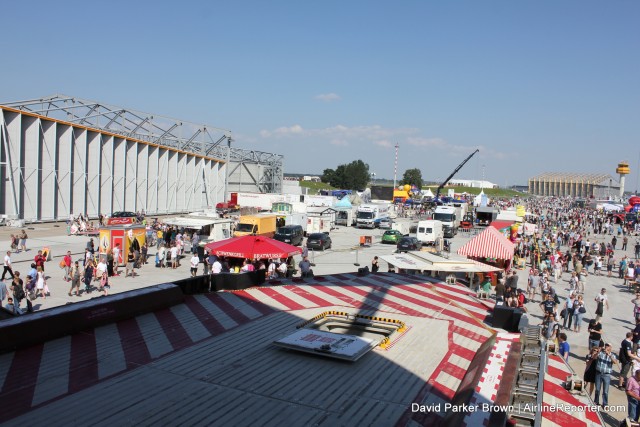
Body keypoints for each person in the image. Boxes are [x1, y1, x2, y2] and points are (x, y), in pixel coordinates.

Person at [594, 343, 619, 408]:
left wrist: (609, 355)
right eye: (606, 345)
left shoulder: (612, 355)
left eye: (608, 346)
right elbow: (594, 357)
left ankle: (605, 404)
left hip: (606, 375)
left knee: (605, 391)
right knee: (597, 389)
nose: (606, 347)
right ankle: (596, 402)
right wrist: (597, 352)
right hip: (599, 373)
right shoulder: (601, 353)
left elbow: (615, 362)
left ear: (610, 348)